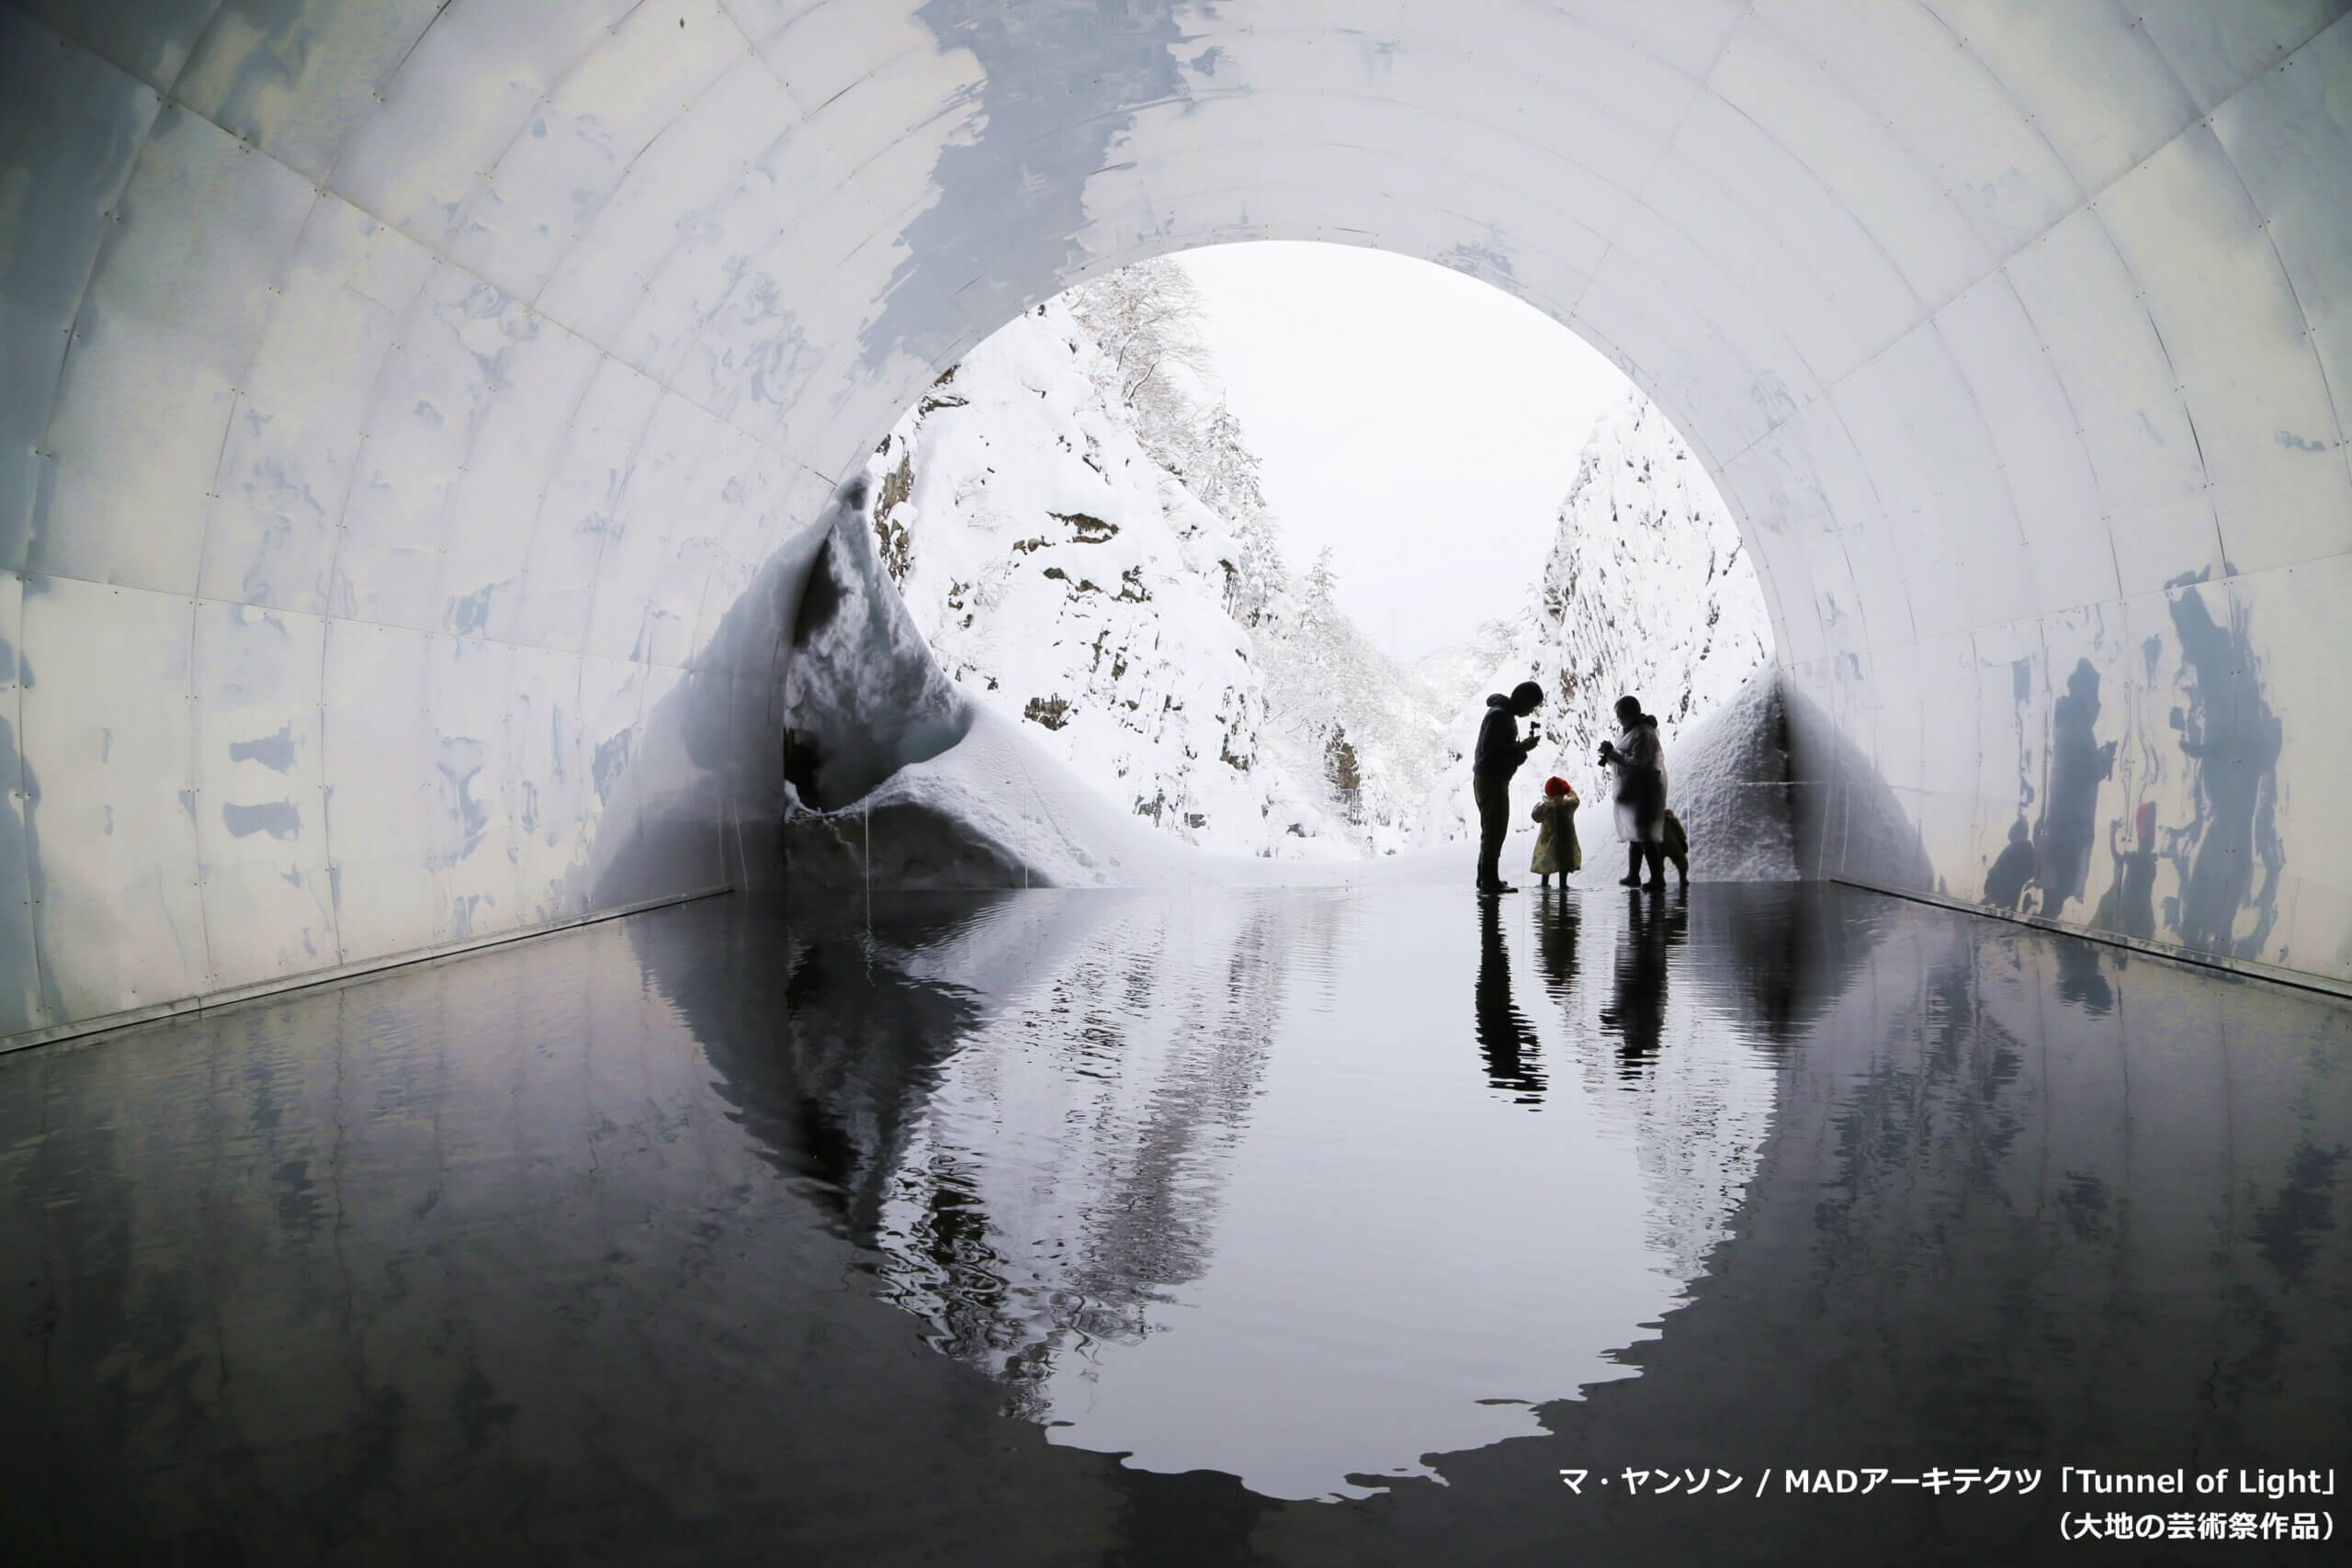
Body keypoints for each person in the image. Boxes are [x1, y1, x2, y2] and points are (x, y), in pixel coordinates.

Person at [1472, 680, 1544, 893]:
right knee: (1495, 829)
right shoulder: (1500, 716)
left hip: (1490, 778)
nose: (1531, 712)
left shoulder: (1501, 713)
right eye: (1531, 706)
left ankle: (1485, 878)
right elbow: (1491, 750)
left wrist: (1518, 749)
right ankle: (1489, 881)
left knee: (1492, 829)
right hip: (1492, 779)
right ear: (1522, 700)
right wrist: (1520, 748)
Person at [1597, 695, 1667, 888]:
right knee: (1635, 837)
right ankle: (1633, 875)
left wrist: (1613, 753)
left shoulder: (1644, 733)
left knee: (1645, 837)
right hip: (1631, 793)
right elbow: (1622, 758)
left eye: (1620, 715)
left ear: (1631, 714)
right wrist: (1610, 753)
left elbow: (1637, 763)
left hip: (1643, 793)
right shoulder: (1628, 732)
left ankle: (1657, 878)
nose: (1618, 719)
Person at [1529, 776, 1580, 890]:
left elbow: (1535, 817)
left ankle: (1544, 883)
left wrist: (1537, 806)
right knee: (1564, 863)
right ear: (1564, 791)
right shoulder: (1568, 805)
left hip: (1547, 843)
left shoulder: (1545, 807)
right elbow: (1576, 801)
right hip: (1566, 842)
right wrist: (1571, 792)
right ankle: (1563, 884)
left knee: (1546, 861)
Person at [1984, 818, 2035, 911]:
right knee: (1996, 903)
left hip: (2005, 887)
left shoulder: (2018, 849)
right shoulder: (2018, 848)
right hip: (2005, 888)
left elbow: (1999, 867)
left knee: (1992, 901)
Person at [1660, 807, 1689, 889]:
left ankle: (1660, 880)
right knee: (1681, 862)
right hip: (1672, 845)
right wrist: (1683, 842)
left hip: (1658, 846)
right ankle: (1683, 879)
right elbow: (1679, 831)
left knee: (1658, 865)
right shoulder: (1672, 820)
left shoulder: (1655, 820)